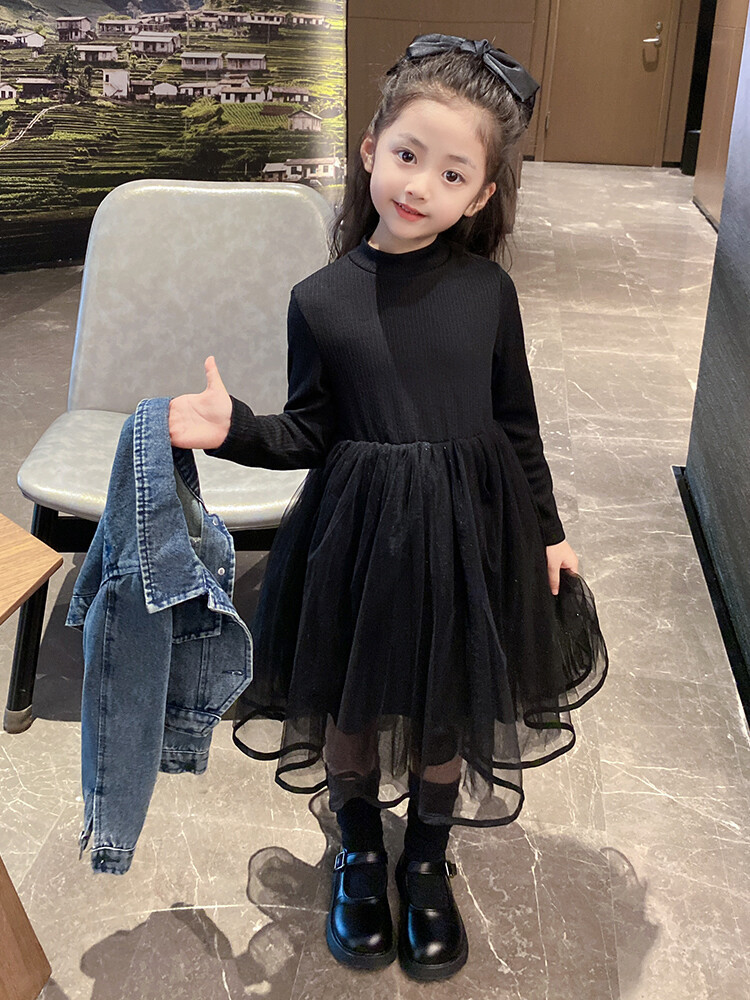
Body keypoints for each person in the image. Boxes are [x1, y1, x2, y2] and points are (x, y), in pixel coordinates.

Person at [169, 34, 608, 982]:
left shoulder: (488, 292)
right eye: (408, 155)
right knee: (355, 696)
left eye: (452, 174)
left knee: (449, 698)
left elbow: (516, 420)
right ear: (370, 148)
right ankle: (362, 851)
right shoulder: (321, 300)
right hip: (359, 537)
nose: (420, 186)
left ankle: (428, 855)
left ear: (479, 197)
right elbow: (311, 430)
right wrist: (233, 427)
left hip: (470, 531)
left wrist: (548, 530)